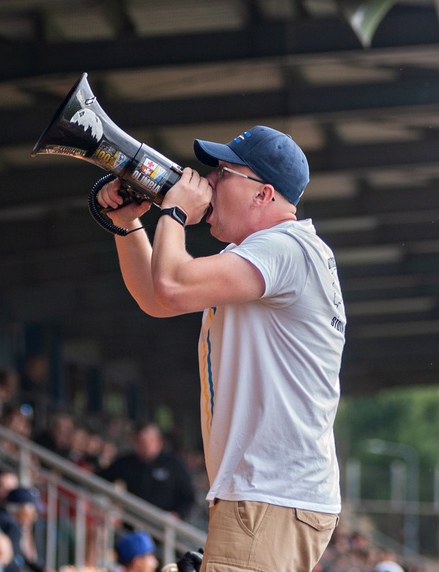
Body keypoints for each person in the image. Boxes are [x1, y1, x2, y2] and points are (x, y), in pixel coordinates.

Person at [96, 125, 345, 571]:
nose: (207, 182)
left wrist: (173, 214)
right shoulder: (271, 254)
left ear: (263, 195)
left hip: (268, 496)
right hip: (269, 497)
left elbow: (170, 285)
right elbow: (157, 299)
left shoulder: (284, 248)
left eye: (223, 173)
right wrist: (126, 222)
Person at [99, 422, 196, 519]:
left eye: (143, 442)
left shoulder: (173, 465)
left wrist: (176, 514)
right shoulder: (127, 463)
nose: (139, 446)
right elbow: (102, 477)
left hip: (161, 526)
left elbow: (188, 497)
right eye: (136, 442)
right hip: (132, 522)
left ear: (157, 441)